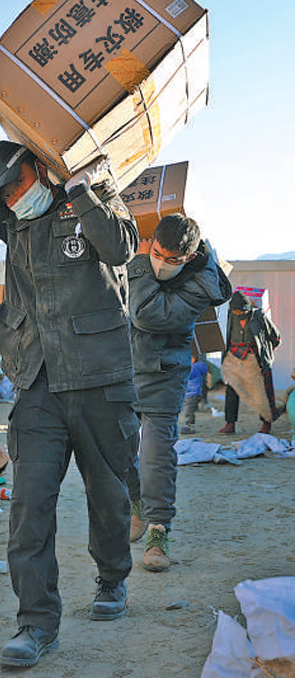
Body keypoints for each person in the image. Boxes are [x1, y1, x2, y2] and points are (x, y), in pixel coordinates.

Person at [0, 100, 140, 668]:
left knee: (109, 495)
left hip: (100, 377)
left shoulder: (93, 200)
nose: (11, 198)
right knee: (30, 506)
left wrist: (81, 187)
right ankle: (35, 622)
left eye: (17, 185)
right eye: (3, 194)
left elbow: (122, 248)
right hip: (38, 382)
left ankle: (111, 579)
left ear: (40, 170)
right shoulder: (11, 221)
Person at [126, 214, 232, 570]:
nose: (163, 264)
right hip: (122, 367)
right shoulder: (135, 253)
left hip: (163, 374)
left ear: (189, 256)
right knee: (111, 446)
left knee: (156, 453)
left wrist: (141, 261)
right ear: (152, 241)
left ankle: (158, 530)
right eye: (157, 253)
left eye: (174, 260)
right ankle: (135, 501)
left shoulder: (201, 282)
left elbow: (145, 313)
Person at [219, 290, 281, 435]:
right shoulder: (231, 315)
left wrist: (266, 353)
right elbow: (228, 336)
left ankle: (266, 424)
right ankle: (230, 424)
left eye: (241, 311)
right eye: (235, 311)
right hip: (235, 358)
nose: (238, 313)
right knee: (232, 390)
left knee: (264, 393)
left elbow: (275, 337)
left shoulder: (258, 316)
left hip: (256, 359)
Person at [180, 356, 208, 434]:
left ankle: (190, 425)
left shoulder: (193, 367)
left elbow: (186, 375)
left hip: (192, 393)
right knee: (190, 408)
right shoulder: (198, 367)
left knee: (189, 410)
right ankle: (190, 424)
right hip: (195, 392)